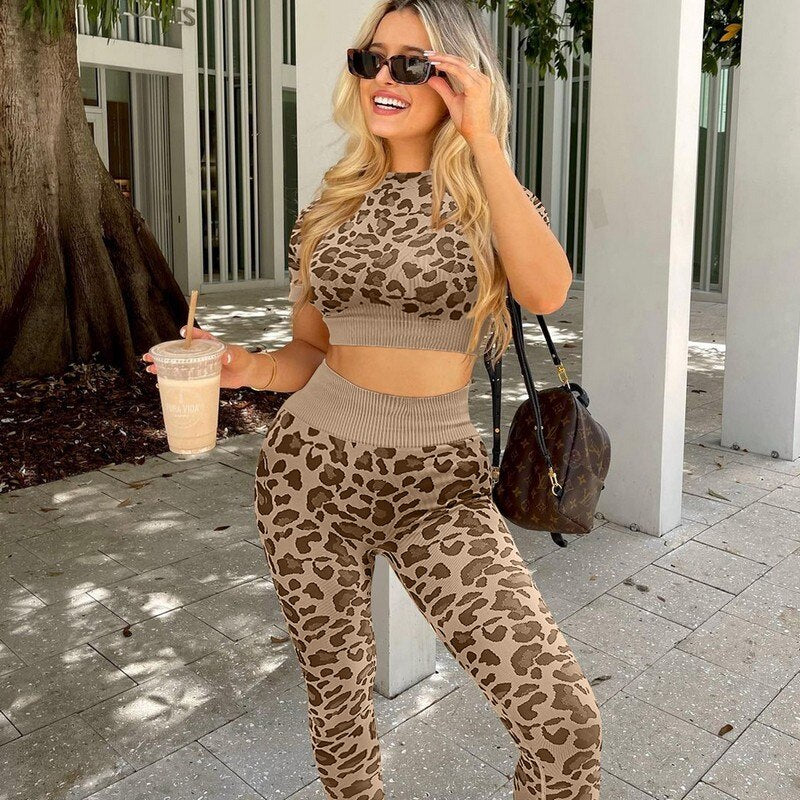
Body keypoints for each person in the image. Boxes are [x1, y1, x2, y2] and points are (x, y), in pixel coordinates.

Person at [144, 2, 601, 797]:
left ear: (457, 78)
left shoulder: (490, 193)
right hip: (309, 477)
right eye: (370, 59)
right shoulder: (331, 204)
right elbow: (310, 353)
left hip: (441, 485)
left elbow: (547, 291)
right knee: (340, 706)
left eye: (411, 63)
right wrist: (245, 367)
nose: (383, 77)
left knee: (563, 722)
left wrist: (484, 140)